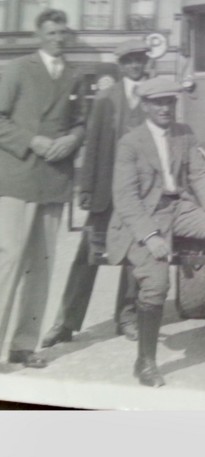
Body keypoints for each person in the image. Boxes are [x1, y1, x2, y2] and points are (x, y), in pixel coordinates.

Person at [107, 77, 205, 387]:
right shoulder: (130, 143)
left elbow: (199, 174)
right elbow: (125, 199)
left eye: (169, 102)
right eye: (158, 102)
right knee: (156, 285)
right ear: (146, 106)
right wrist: (150, 237)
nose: (165, 108)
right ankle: (145, 363)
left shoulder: (183, 133)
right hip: (144, 217)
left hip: (179, 207)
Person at [42, 40, 151, 349]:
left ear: (145, 62)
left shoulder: (154, 96)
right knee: (87, 255)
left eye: (139, 59)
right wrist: (87, 188)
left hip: (140, 193)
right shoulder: (105, 98)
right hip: (106, 191)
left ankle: (127, 317)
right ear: (121, 65)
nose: (134, 65)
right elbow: (92, 145)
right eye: (128, 60)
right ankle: (66, 322)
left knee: (135, 254)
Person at [0, 8, 86, 368]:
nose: (58, 38)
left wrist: (73, 140)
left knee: (43, 265)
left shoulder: (75, 75)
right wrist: (31, 140)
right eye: (51, 33)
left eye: (62, 32)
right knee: (9, 261)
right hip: (18, 178)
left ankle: (24, 345)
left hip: (53, 179)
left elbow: (81, 122)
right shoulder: (17, 69)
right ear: (39, 35)